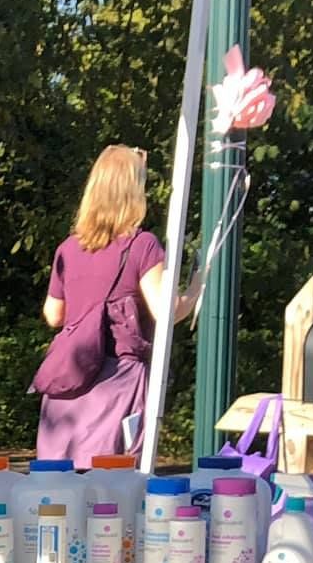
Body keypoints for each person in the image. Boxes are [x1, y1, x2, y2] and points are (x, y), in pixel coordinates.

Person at [32, 145, 194, 467]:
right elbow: (165, 311)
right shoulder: (141, 244)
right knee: (111, 488)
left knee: (60, 489)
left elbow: (53, 315)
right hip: (117, 380)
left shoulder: (69, 247)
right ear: (135, 193)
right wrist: (197, 286)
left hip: (68, 384)